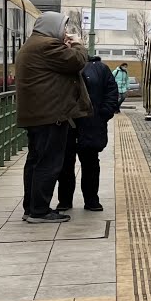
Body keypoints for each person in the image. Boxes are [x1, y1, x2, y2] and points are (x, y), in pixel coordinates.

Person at [16, 13, 91, 224]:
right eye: (63, 27)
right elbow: (76, 61)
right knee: (48, 163)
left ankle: (31, 208)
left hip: (37, 115)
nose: (65, 32)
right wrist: (78, 44)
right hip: (50, 115)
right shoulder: (46, 46)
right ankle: (40, 210)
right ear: (52, 27)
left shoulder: (33, 45)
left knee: (35, 162)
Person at [56, 55, 119, 212]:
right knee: (64, 163)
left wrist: (103, 114)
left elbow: (111, 91)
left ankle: (91, 200)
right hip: (65, 123)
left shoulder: (99, 68)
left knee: (90, 163)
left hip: (91, 123)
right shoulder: (59, 64)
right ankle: (64, 200)